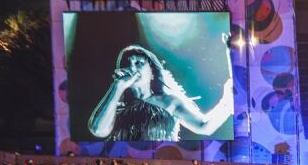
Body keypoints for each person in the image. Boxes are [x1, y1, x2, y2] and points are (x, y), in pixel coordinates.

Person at [87, 40, 232, 141]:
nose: (132, 68)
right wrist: (117, 86)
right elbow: (98, 130)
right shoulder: (114, 108)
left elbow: (204, 127)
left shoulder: (170, 101)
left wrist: (227, 100)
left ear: (152, 72)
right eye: (127, 64)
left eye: (139, 63)